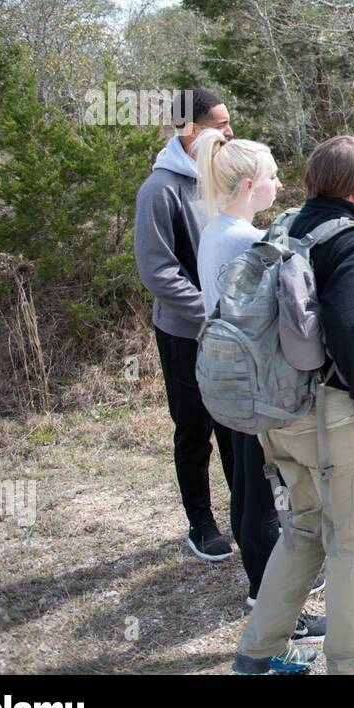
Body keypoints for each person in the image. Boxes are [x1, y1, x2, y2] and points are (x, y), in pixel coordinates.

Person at [233, 136, 354, 675]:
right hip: (333, 413)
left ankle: (258, 650)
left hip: (279, 409)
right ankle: (353, 660)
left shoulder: (284, 226)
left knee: (305, 528)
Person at [194, 129, 327, 641]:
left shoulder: (216, 231)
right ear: (250, 184)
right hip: (253, 382)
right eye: (272, 177)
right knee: (262, 496)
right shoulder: (245, 240)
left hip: (227, 377)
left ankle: (262, 581)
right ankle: (271, 599)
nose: (280, 183)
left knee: (247, 484)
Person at [134, 88, 237, 561]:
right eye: (221, 124)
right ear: (190, 129)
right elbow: (158, 271)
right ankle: (201, 523)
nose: (230, 132)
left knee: (237, 425)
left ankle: (248, 515)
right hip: (185, 334)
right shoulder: (159, 189)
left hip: (233, 330)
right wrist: (210, 311)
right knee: (195, 429)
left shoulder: (223, 178)